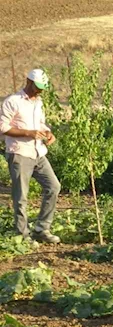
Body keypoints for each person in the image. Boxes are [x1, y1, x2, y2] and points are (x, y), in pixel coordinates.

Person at [0, 69, 61, 243]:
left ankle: (42, 229)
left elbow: (40, 124)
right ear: (28, 81)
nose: (40, 90)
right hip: (19, 153)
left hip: (38, 152)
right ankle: (22, 234)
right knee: (21, 197)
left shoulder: (38, 102)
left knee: (54, 187)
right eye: (38, 86)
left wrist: (48, 133)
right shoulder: (13, 102)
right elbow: (3, 127)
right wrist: (28, 133)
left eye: (43, 87)